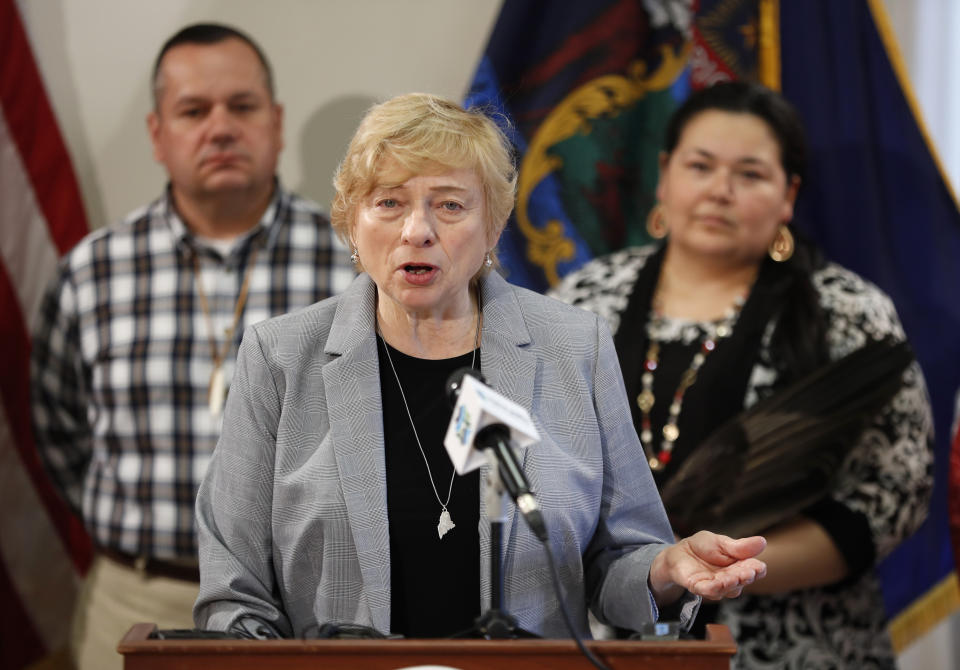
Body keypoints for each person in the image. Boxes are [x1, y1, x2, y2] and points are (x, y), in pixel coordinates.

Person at [193, 93, 769, 640]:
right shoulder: (280, 357)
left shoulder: (574, 346)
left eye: (449, 204)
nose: (417, 231)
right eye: (388, 202)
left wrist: (665, 568)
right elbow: (234, 591)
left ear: (493, 226)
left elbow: (620, 556)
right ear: (352, 222)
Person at [550, 81, 934, 668]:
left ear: (789, 195)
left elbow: (891, 496)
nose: (719, 191)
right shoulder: (582, 301)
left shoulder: (847, 313)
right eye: (700, 166)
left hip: (793, 647)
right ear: (664, 174)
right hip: (607, 644)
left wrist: (723, 572)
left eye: (750, 175)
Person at [30, 23, 354, 669]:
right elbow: (57, 429)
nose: (221, 127)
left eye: (242, 106)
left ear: (276, 121)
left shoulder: (354, 267)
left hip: (310, 607)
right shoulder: (93, 271)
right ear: (158, 134)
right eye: (193, 111)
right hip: (137, 601)